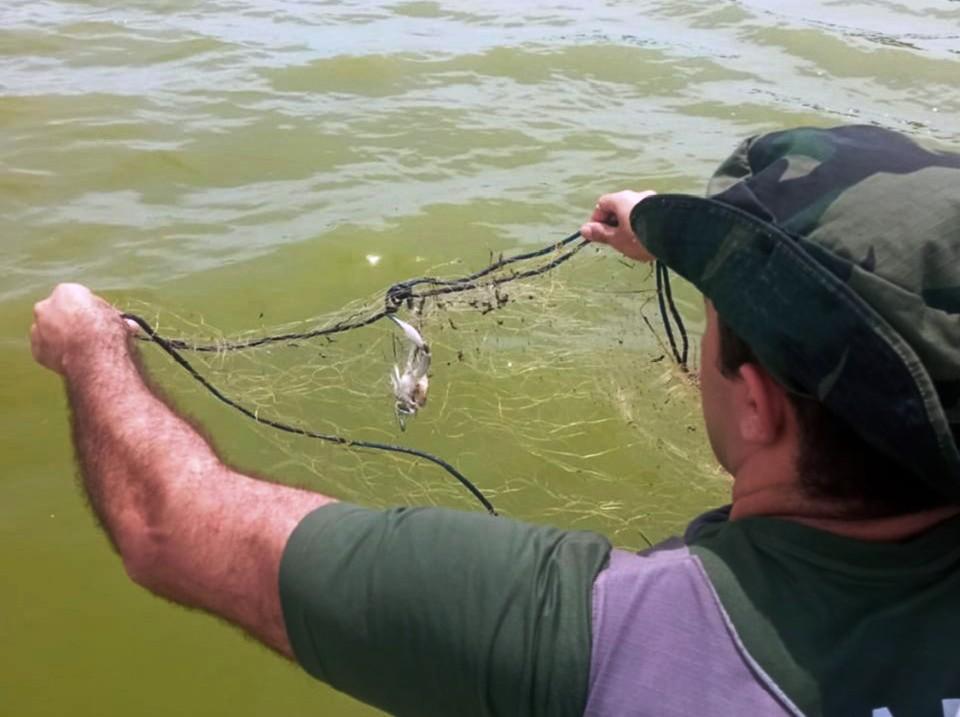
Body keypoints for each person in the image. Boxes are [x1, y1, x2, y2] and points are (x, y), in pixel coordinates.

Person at [30, 125, 960, 716]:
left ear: (755, 404)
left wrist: (88, 344)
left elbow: (169, 525)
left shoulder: (600, 643)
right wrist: (672, 232)